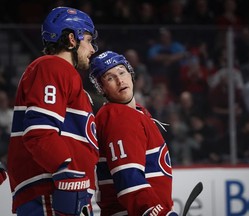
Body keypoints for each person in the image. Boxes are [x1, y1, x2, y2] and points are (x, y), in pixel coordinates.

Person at [7, 7, 99, 216]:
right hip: (53, 191)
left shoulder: (62, 74)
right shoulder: (53, 67)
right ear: (71, 39)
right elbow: (39, 132)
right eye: (88, 39)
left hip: (65, 190)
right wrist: (66, 173)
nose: (92, 49)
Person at [89, 51, 178, 216]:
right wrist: (158, 213)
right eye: (110, 78)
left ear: (130, 74)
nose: (119, 80)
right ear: (102, 88)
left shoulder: (136, 113)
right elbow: (128, 179)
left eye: (122, 72)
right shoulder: (118, 118)